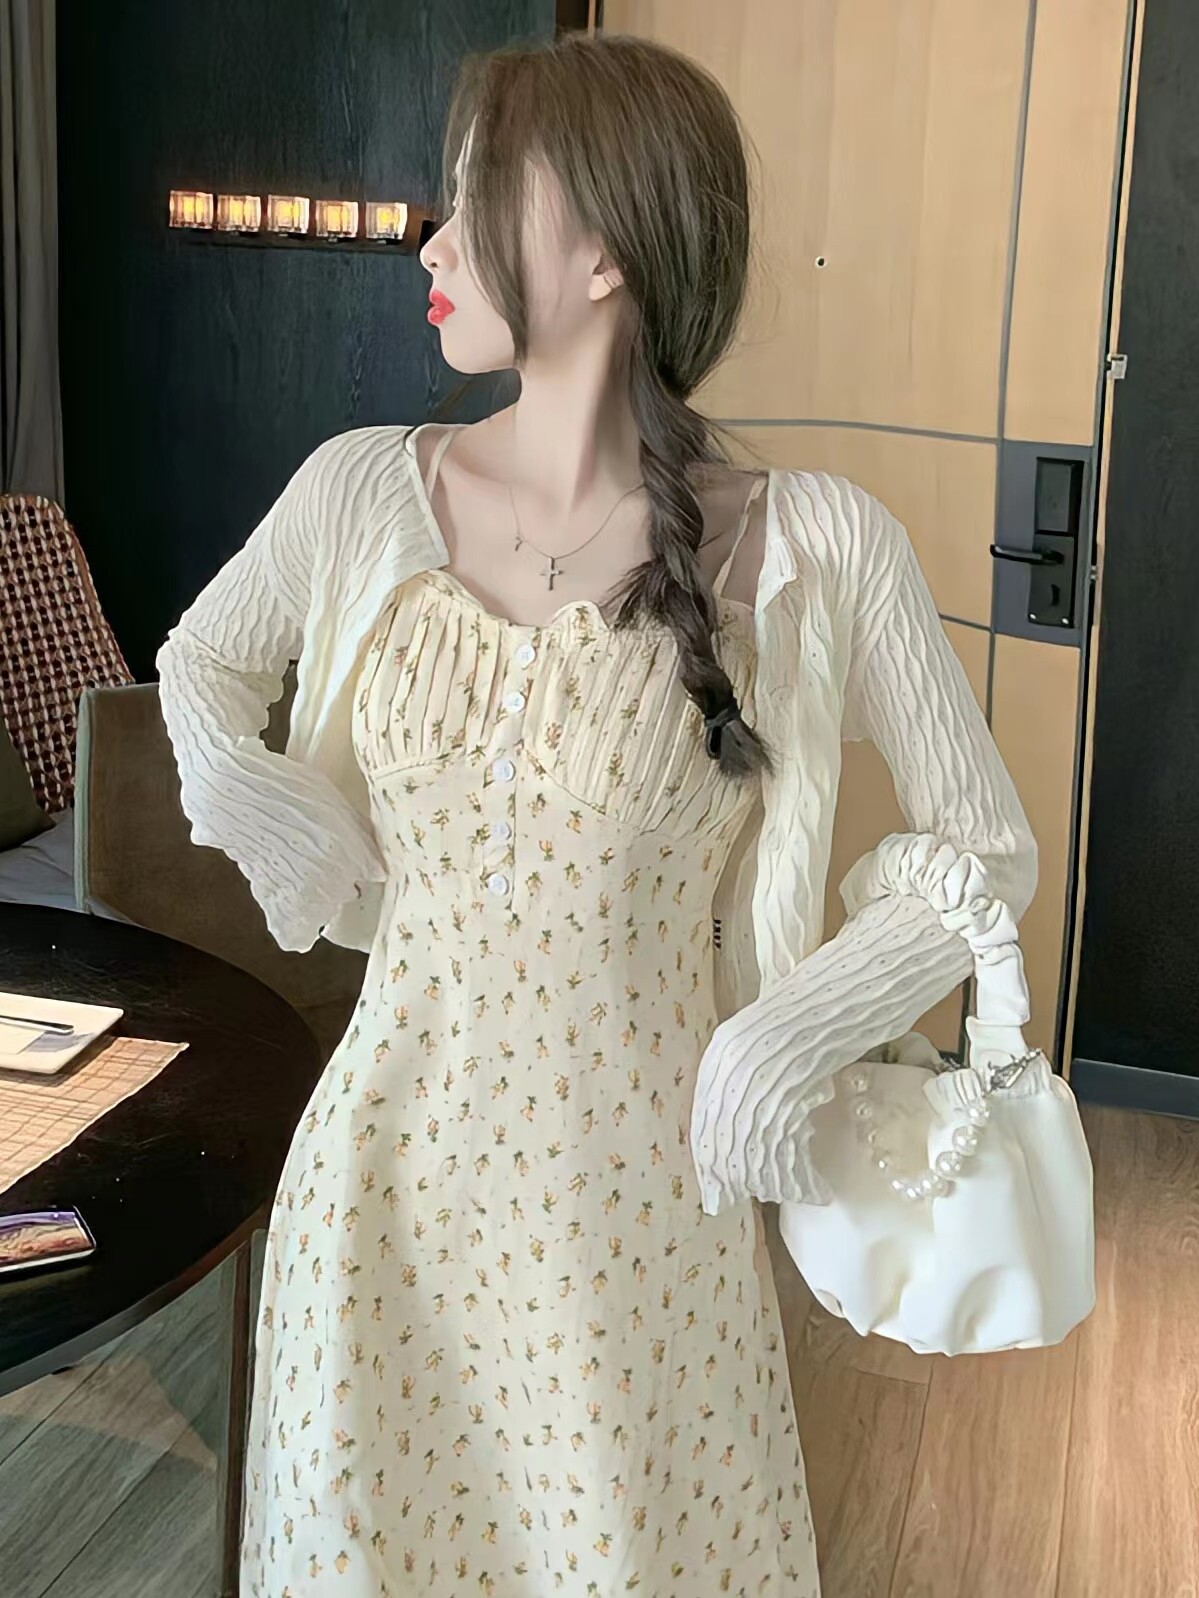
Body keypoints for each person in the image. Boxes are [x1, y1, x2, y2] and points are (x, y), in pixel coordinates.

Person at [157, 32, 1036, 1598]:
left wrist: (795, 1025)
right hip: (379, 1205)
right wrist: (250, 790)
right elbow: (199, 663)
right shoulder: (363, 489)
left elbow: (988, 847)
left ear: (608, 250)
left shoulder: (811, 545)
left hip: (632, 1235)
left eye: (477, 197)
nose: (432, 244)